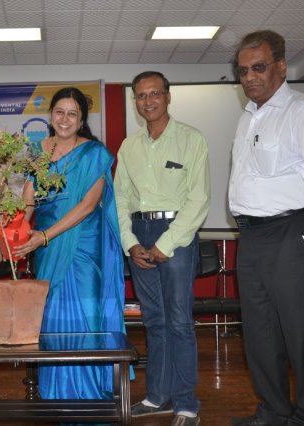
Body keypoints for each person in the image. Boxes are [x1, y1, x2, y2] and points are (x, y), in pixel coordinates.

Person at [228, 30, 304, 426]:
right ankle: (274, 411)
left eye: (258, 67)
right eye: (243, 71)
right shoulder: (247, 118)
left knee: (302, 330)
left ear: (281, 66)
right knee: (260, 332)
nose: (250, 77)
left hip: (293, 230)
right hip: (252, 235)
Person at [14, 87, 126, 401]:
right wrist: (18, 231)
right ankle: (57, 395)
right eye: (59, 112)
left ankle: (91, 396)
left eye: (72, 114)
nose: (65, 119)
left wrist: (45, 236)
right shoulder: (37, 150)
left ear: (81, 120)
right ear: (51, 115)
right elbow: (29, 198)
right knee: (52, 317)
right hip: (46, 249)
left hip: (83, 246)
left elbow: (88, 206)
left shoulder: (94, 153)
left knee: (86, 315)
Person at [114, 71, 209, 426]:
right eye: (141, 95)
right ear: (134, 102)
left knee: (179, 321)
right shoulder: (129, 147)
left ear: (168, 97)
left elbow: (199, 198)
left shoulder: (191, 139)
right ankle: (157, 396)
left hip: (177, 233)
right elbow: (120, 199)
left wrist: (166, 243)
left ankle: (186, 403)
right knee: (154, 321)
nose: (148, 101)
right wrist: (130, 243)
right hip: (139, 233)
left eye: (155, 93)